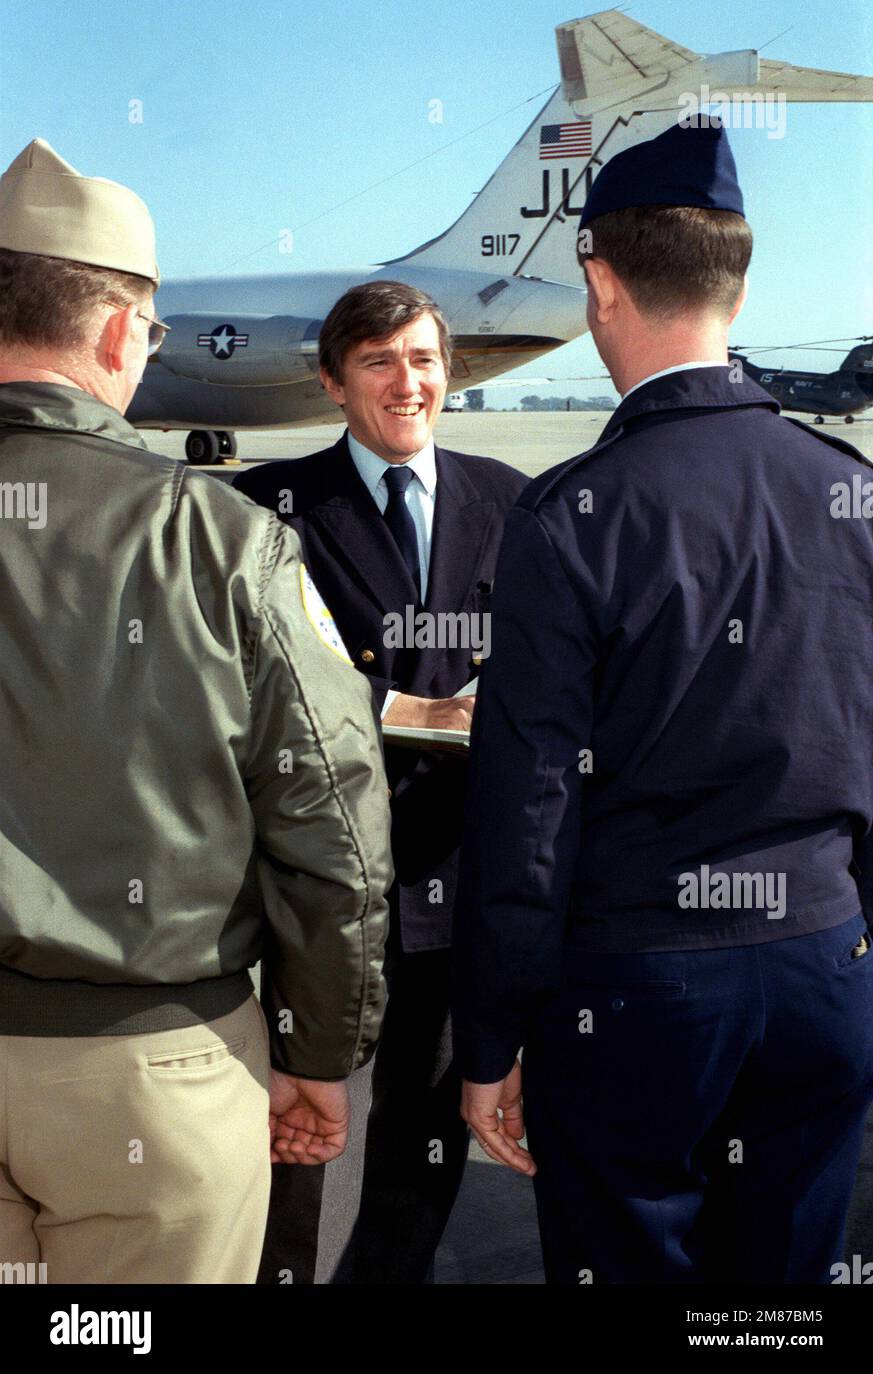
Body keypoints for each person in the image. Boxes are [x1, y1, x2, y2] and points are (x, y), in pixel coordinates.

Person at [451, 121, 873, 1285]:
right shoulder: (849, 490)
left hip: (639, 990)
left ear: (599, 282)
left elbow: (527, 815)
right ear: (738, 285)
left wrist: (488, 1039)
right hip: (825, 963)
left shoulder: (571, 515)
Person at [0, 138, 392, 1284]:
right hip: (151, 1080)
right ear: (124, 332)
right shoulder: (222, 540)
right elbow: (332, 822)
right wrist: (321, 1051)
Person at [235, 279, 527, 1283]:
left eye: (425, 360)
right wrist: (406, 712)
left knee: (424, 1132)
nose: (409, 382)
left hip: (452, 870)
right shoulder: (264, 507)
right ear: (332, 380)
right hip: (313, 880)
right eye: (379, 362)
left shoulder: (511, 498)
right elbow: (250, 682)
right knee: (297, 1125)